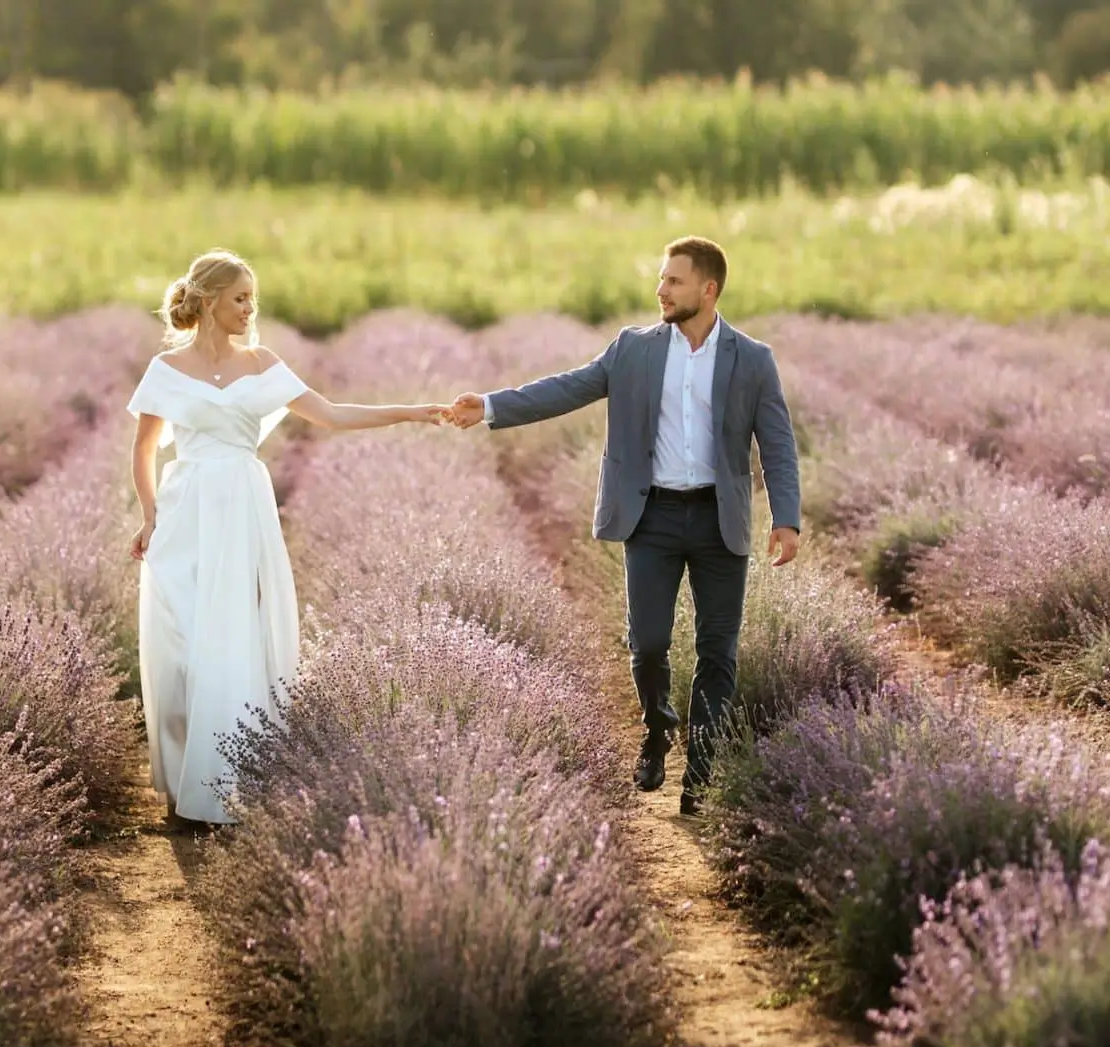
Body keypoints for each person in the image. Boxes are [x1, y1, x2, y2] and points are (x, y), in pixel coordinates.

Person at [447, 236, 801, 815]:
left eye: (674, 281)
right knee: (649, 643)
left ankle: (702, 776)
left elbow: (778, 444)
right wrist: (488, 406)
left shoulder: (753, 359)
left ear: (708, 289)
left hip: (721, 521)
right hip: (651, 517)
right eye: (661, 279)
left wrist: (786, 519)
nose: (660, 290)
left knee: (718, 651)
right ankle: (658, 726)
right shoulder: (632, 349)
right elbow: (566, 388)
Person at [127, 249, 449, 824]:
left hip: (242, 507)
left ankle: (222, 787)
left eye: (253, 298)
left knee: (229, 639)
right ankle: (181, 786)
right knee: (177, 645)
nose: (250, 309)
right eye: (239, 298)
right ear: (208, 302)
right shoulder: (166, 370)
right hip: (184, 509)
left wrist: (408, 411)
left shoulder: (263, 363)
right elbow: (145, 449)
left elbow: (328, 414)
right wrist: (150, 516)